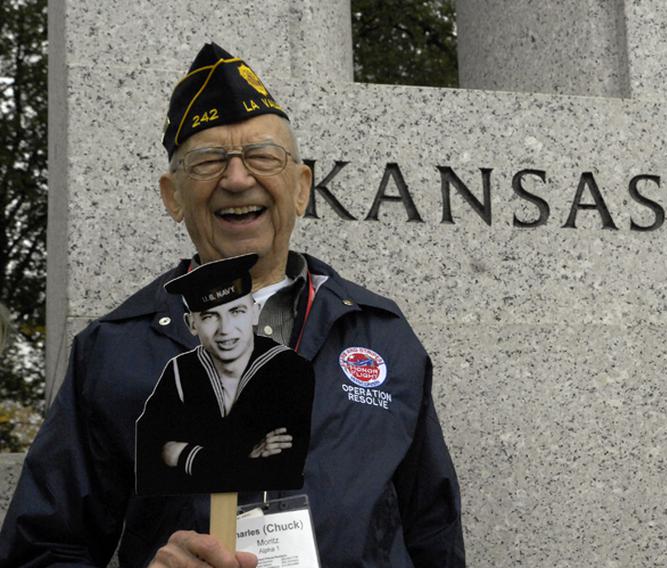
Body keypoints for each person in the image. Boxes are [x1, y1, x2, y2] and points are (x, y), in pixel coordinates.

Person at [0, 43, 464, 567]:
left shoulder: (382, 335)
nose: (238, 178)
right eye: (208, 160)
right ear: (173, 195)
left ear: (301, 188)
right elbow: (38, 551)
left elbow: (435, 535)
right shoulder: (114, 351)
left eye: (263, 157)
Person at [135, 253, 315, 495]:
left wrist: (181, 454)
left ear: (255, 312)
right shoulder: (180, 373)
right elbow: (150, 469)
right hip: (191, 532)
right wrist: (247, 453)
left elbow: (282, 473)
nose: (226, 330)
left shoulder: (290, 371)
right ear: (191, 324)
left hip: (269, 529)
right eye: (210, 316)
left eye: (237, 311)